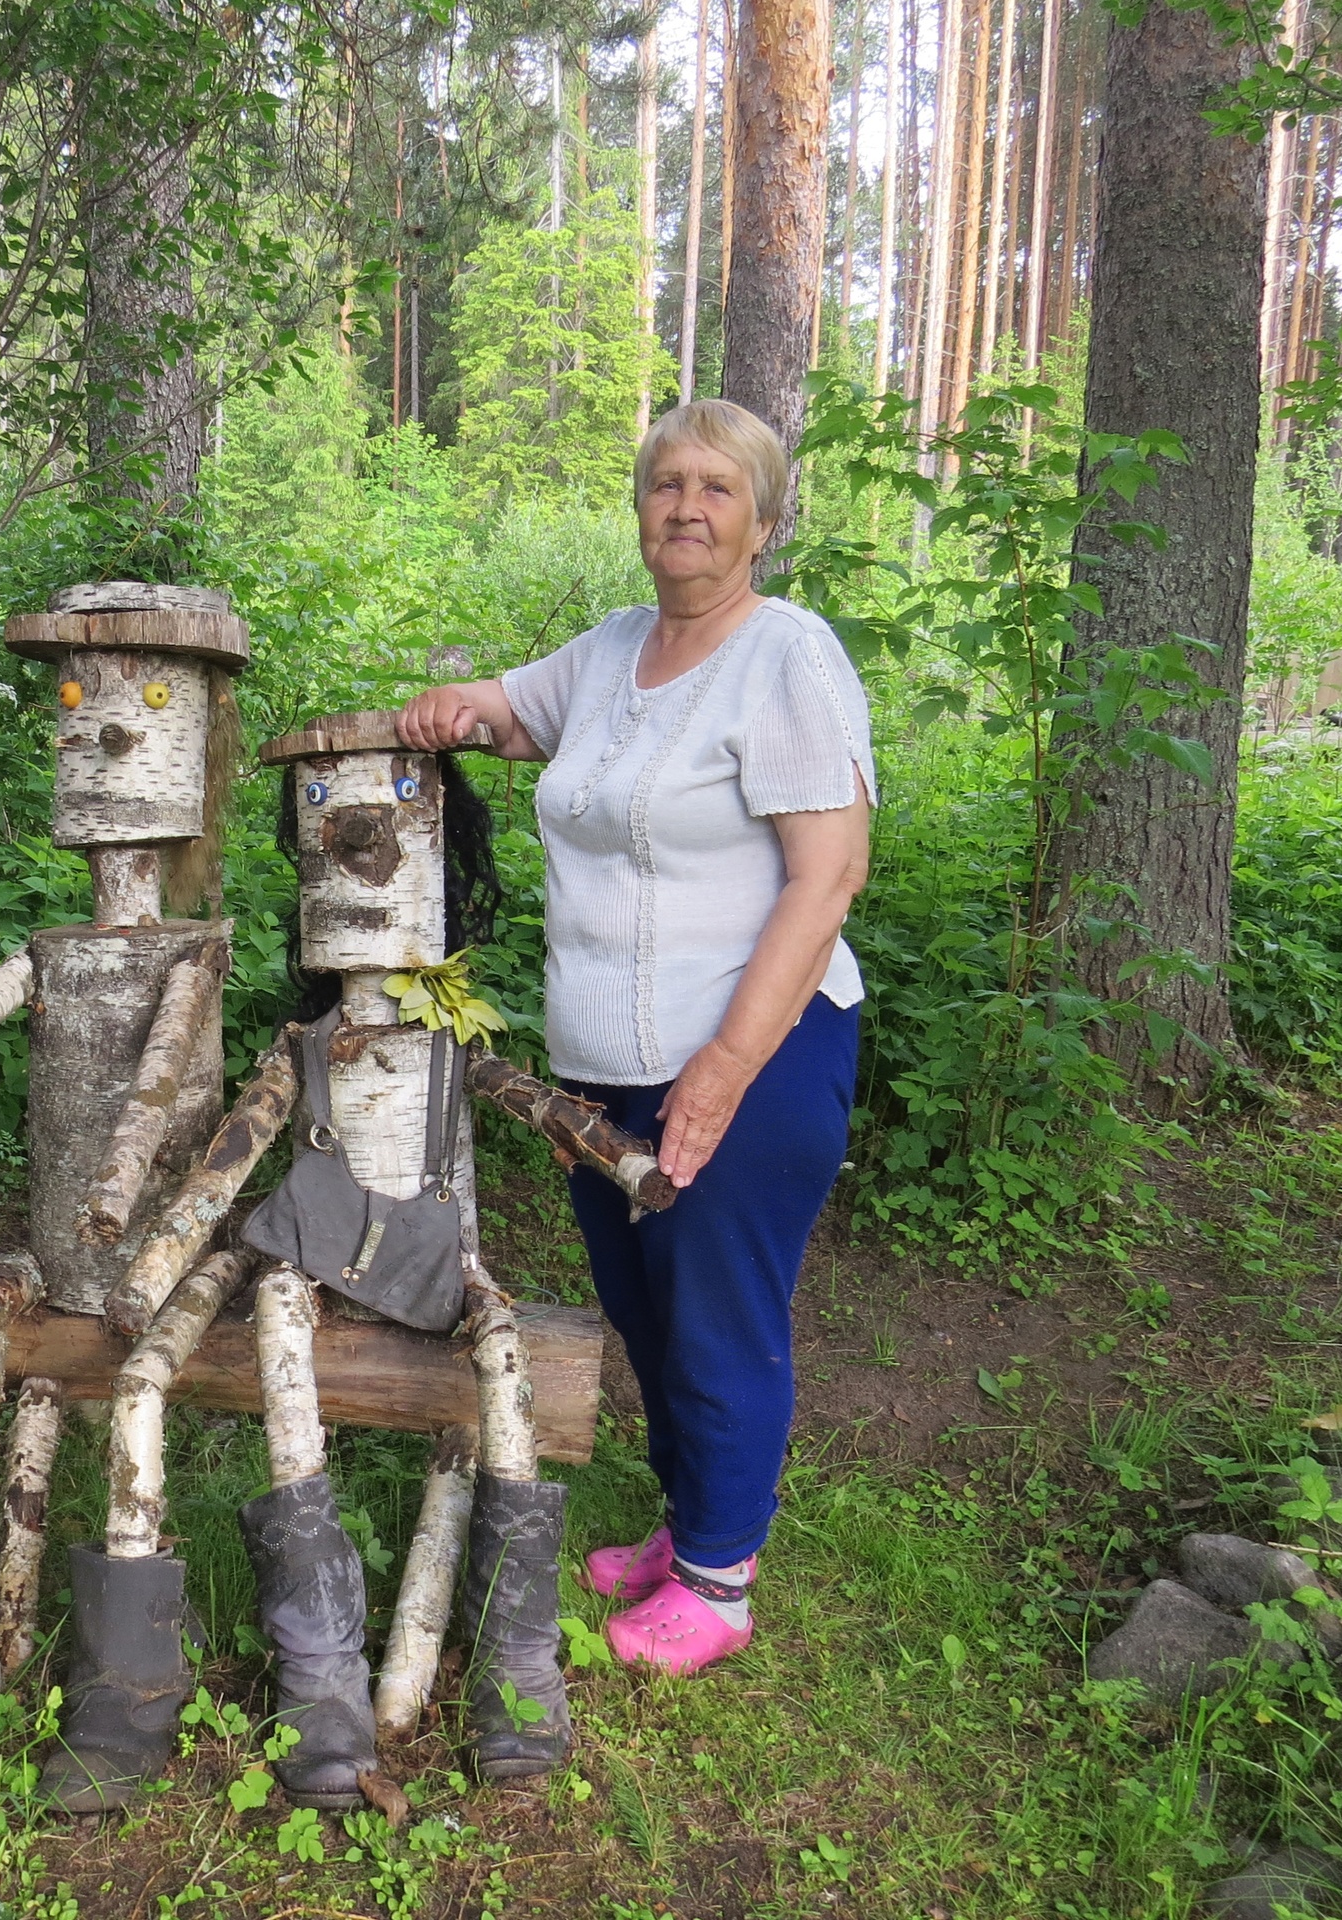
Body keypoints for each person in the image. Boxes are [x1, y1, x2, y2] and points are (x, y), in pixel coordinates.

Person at [397, 398, 872, 1677]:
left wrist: (721, 1069)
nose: (686, 507)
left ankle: (719, 1581)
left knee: (719, 1311)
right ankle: (692, 1521)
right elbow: (511, 712)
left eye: (718, 488)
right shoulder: (610, 654)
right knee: (645, 1306)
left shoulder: (788, 657)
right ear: (639, 509)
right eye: (666, 482)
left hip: (754, 1051)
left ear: (764, 523)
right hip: (603, 1066)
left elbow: (825, 878)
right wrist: (456, 708)